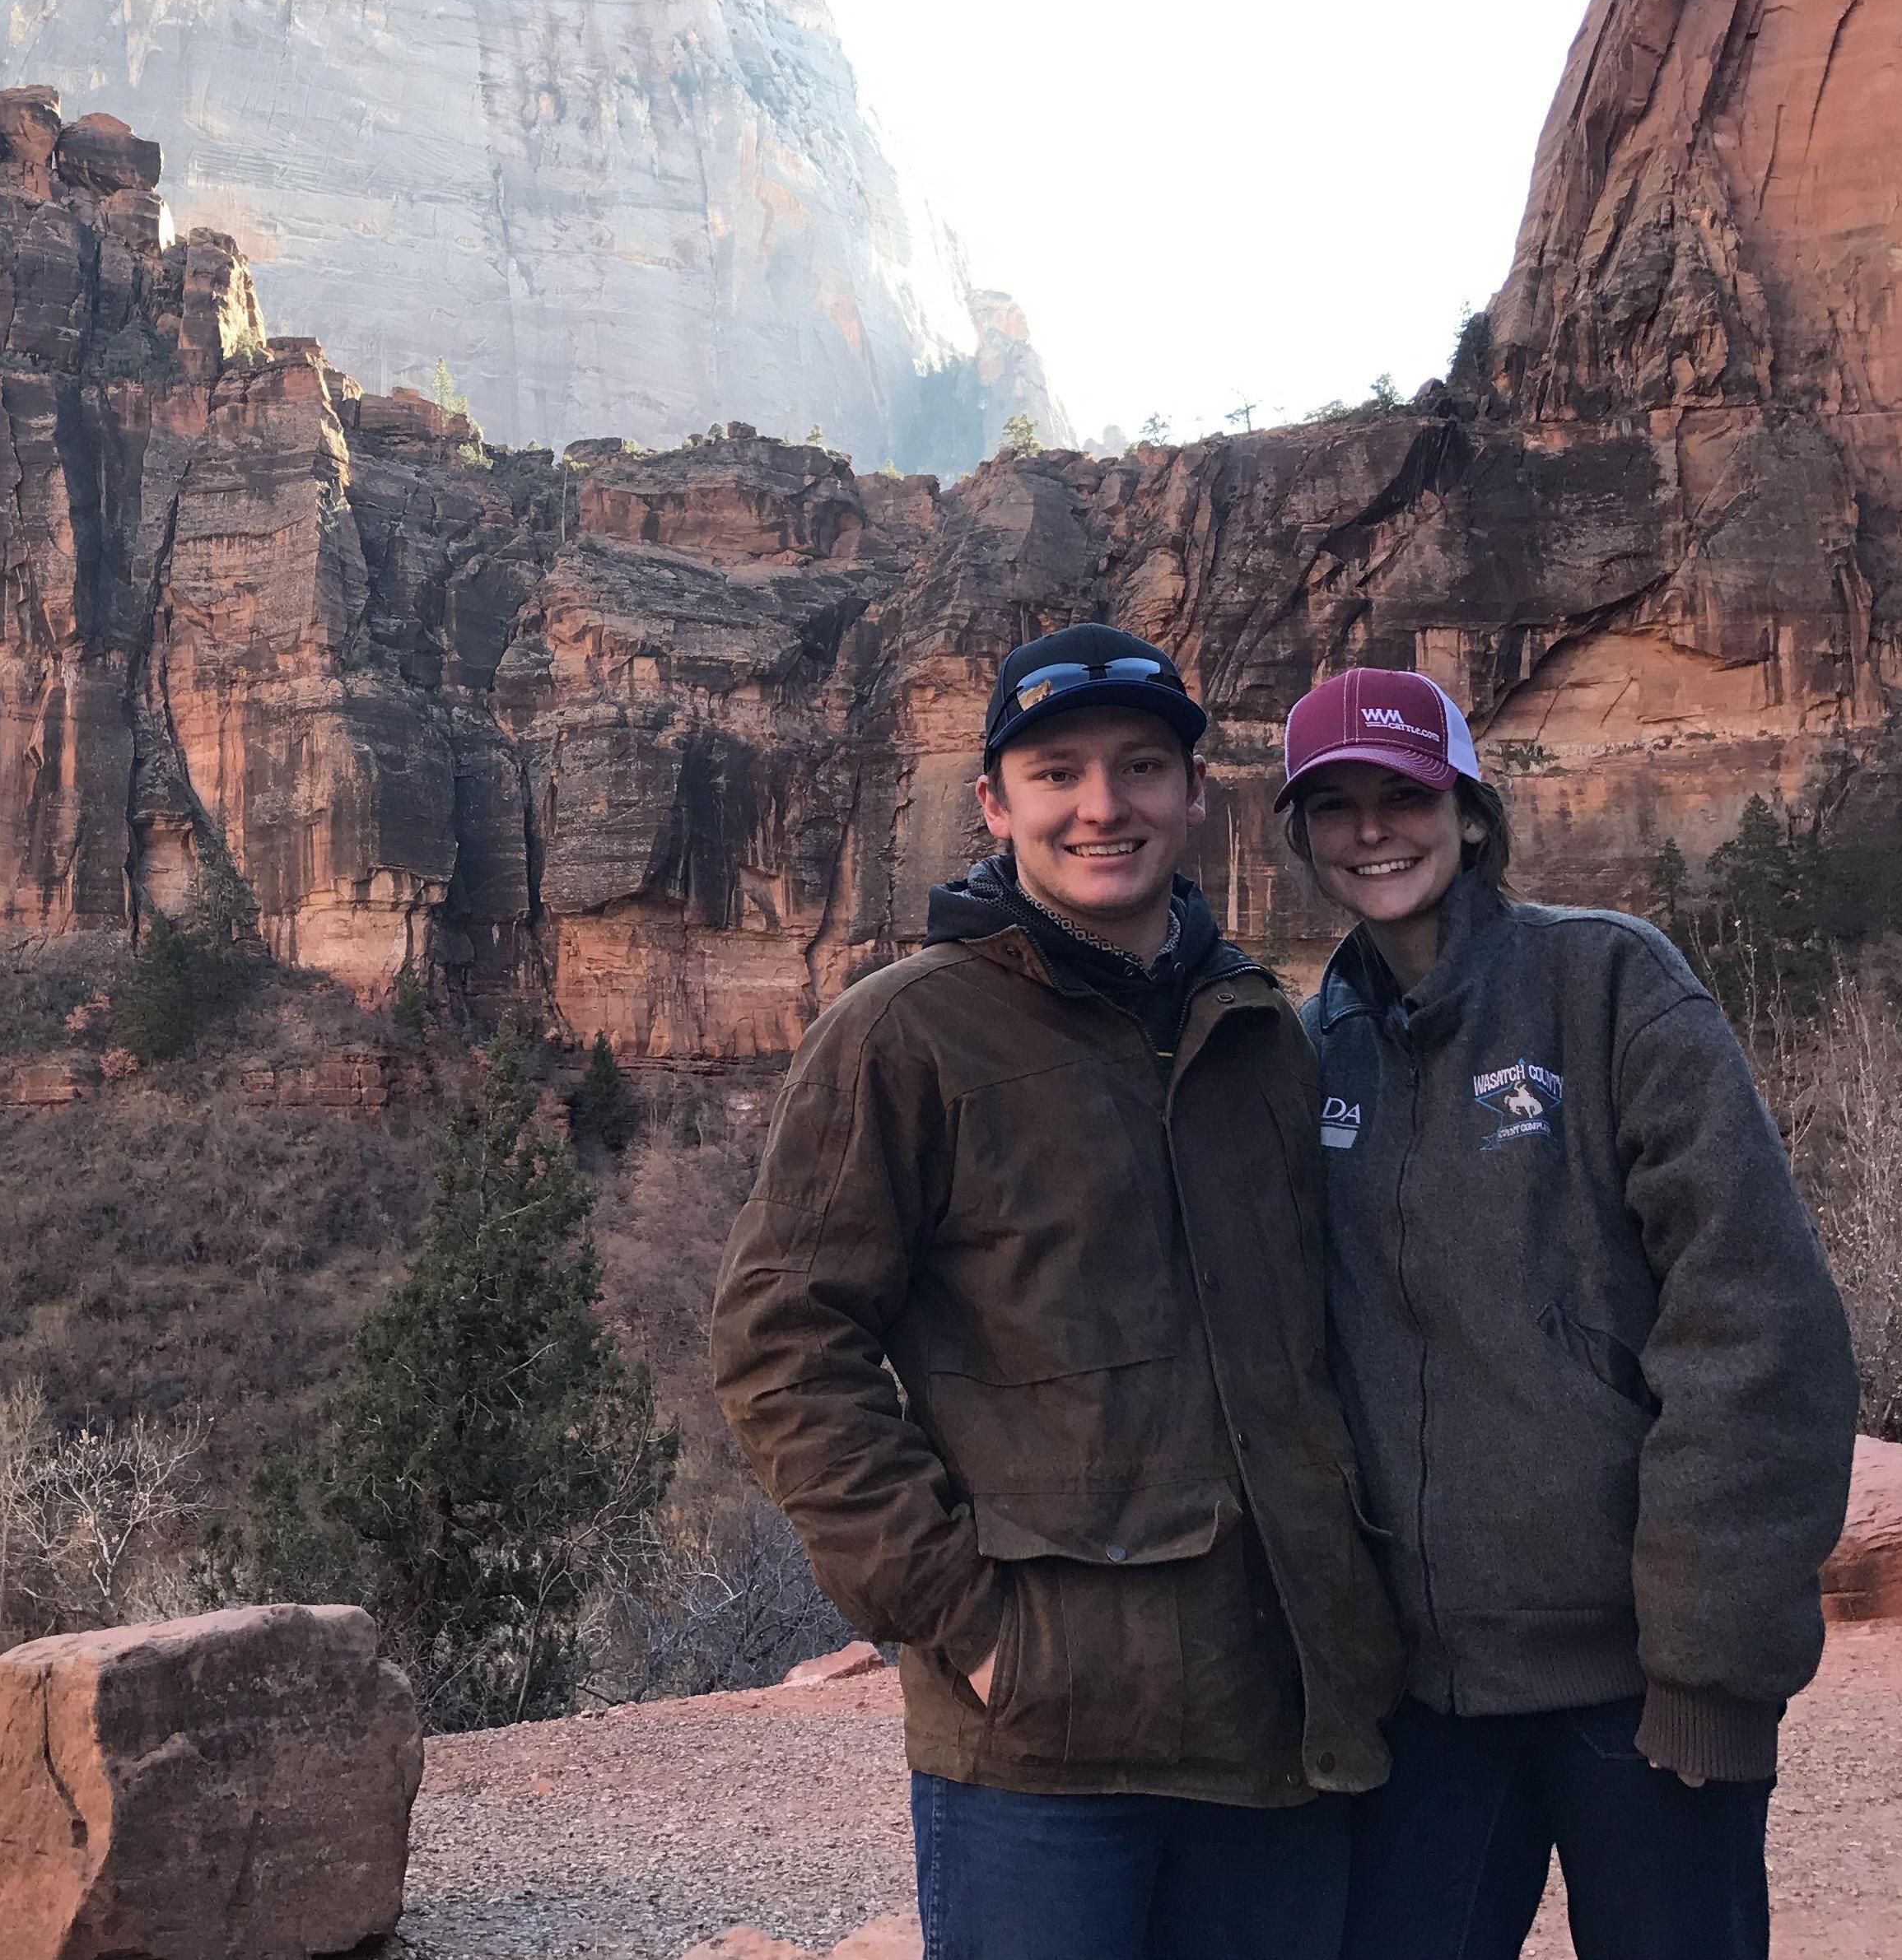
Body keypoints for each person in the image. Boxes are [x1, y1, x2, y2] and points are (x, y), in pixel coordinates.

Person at [711, 624, 1403, 1960]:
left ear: (1197, 795)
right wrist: (957, 1617)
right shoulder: (904, 1032)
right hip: (1042, 1740)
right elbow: (781, 1340)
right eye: (1058, 772)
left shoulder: (1263, 1027)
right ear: (994, 804)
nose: (1104, 805)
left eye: (1142, 767)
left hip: (1285, 1723)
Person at [1276, 665, 1860, 1960]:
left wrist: (1711, 1668)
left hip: (1640, 1687)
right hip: (1423, 1704)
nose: (1374, 829)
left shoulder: (1608, 986)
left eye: (1405, 794)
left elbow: (1758, 1323)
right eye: (1337, 804)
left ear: (1471, 812)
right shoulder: (1316, 1051)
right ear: (1302, 837)